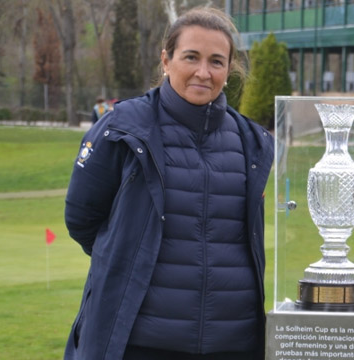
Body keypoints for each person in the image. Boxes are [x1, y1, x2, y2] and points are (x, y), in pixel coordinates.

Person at [64, 7, 274, 360]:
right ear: (166, 60)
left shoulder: (251, 141)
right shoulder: (122, 127)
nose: (203, 73)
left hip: (232, 342)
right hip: (141, 343)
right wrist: (129, 255)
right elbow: (82, 218)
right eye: (190, 57)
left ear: (230, 68)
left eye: (216, 61)